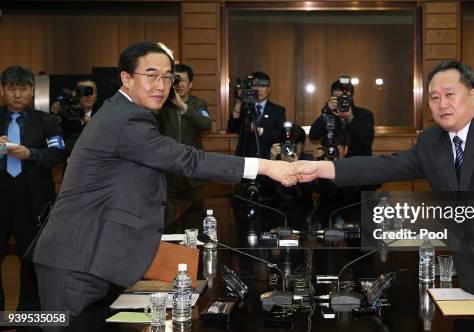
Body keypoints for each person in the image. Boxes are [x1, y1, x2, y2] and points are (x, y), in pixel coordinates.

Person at [295, 60, 474, 332]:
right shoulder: (432, 142)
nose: (442, 104)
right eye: (433, 98)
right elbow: (385, 165)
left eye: (450, 94)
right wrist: (324, 168)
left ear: (473, 96)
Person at [31, 42, 296, 330]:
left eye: (168, 77)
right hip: (76, 258)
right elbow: (186, 159)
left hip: (92, 252)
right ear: (127, 78)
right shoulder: (126, 118)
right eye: (152, 75)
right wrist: (265, 166)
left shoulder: (125, 111)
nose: (161, 85)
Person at [0, 65, 66, 313]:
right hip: (1, 199)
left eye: (23, 89)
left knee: (32, 264)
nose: (17, 95)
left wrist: (31, 153)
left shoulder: (46, 121)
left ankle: (27, 322)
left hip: (34, 203)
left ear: (32, 90)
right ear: (3, 90)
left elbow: (58, 153)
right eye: (12, 88)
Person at [155, 63, 211, 232]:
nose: (178, 84)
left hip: (193, 173)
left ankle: (195, 255)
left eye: (182, 80)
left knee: (195, 220)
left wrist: (183, 107)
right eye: (175, 79)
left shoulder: (199, 104)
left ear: (191, 84)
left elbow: (205, 124)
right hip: (169, 173)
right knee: (167, 222)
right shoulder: (163, 105)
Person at [227, 71, 286, 159]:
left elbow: (280, 135)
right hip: (245, 158)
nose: (259, 89)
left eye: (263, 86)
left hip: (268, 158)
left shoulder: (278, 110)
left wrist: (259, 130)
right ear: (250, 88)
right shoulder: (244, 108)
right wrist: (238, 103)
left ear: (269, 89)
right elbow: (232, 129)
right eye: (255, 85)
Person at [309, 79, 374, 157]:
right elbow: (313, 136)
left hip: (358, 163)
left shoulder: (365, 115)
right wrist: (326, 111)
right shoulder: (330, 114)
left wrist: (350, 118)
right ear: (332, 97)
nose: (342, 100)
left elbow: (367, 141)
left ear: (351, 97)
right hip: (333, 162)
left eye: (345, 97)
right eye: (338, 98)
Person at [50, 78, 98, 155]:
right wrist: (54, 116)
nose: (88, 96)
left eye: (91, 91)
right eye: (84, 91)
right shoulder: (65, 116)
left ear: (96, 96)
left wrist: (88, 121)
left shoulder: (105, 115)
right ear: (76, 94)